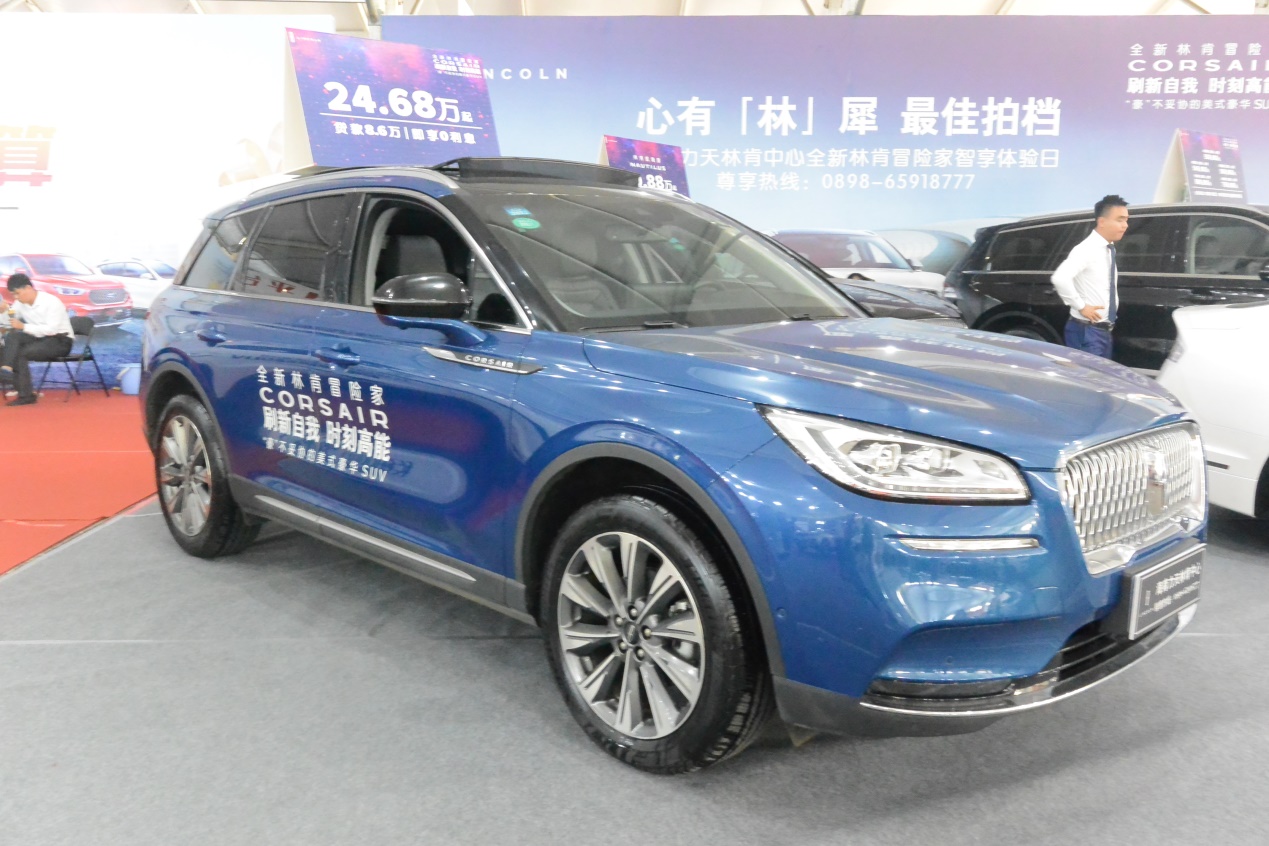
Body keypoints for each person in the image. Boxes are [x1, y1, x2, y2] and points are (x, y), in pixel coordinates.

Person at [1050, 194, 1130, 359]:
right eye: (1120, 220)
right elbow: (1060, 278)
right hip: (1086, 331)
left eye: (1126, 220)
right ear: (1102, 222)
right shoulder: (1087, 249)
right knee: (1087, 374)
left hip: (1102, 331)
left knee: (1099, 374)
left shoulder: (1108, 248)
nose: (1125, 225)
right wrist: (1081, 306)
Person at [1, 273, 74, 406]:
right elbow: (9, 322)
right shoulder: (19, 303)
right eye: (13, 295)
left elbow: (52, 330)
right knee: (13, 337)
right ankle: (6, 369)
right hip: (39, 338)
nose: (16, 297)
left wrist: (23, 326)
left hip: (60, 341)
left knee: (21, 351)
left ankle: (25, 394)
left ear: (28, 288)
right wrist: (3, 312)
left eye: (17, 293)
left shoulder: (51, 302)